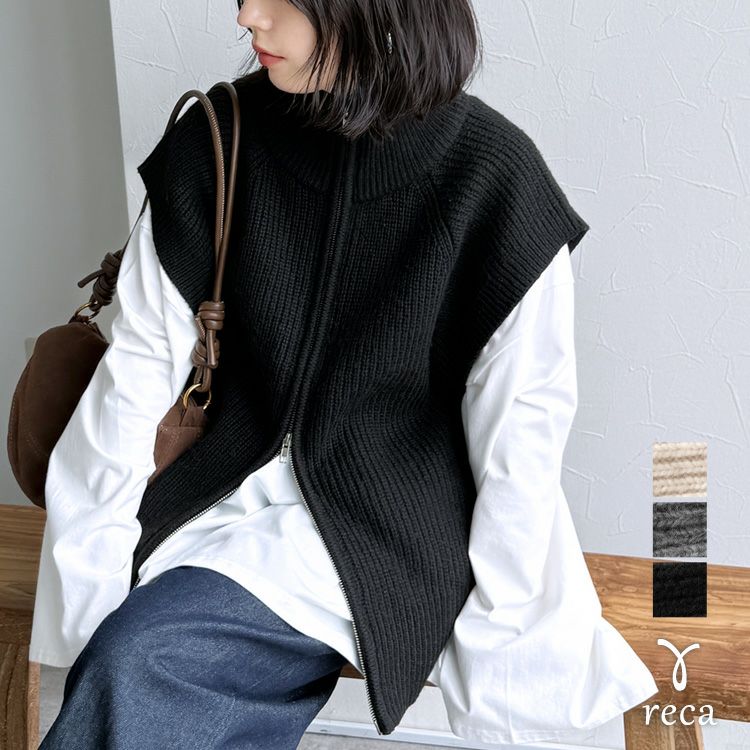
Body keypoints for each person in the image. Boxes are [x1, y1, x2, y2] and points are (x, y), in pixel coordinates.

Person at [34, 1, 659, 747]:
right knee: (130, 659)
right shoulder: (218, 138)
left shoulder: (492, 181)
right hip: (208, 500)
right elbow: (132, 378)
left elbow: (520, 439)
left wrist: (505, 643)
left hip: (381, 533)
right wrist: (89, 581)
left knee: (142, 662)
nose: (248, 15)